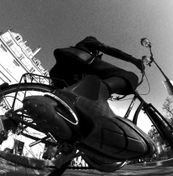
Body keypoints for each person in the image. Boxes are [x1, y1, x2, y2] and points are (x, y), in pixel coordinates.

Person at [23, 36, 153, 160]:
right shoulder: (89, 42)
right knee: (130, 77)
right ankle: (103, 91)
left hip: (66, 78)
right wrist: (134, 60)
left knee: (75, 114)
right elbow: (109, 49)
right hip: (76, 61)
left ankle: (63, 144)